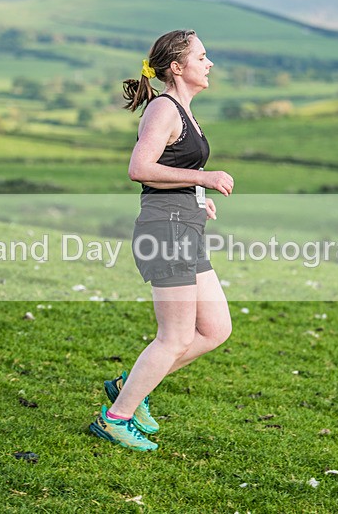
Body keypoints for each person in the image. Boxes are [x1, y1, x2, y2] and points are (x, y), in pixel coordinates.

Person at [89, 30, 234, 451]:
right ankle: (115, 418)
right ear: (177, 67)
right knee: (175, 337)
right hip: (166, 231)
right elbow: (140, 168)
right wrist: (203, 178)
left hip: (185, 227)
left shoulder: (184, 111)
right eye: (202, 57)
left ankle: (129, 386)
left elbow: (170, 167)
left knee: (216, 329)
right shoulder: (163, 110)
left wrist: (196, 196)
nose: (209, 63)